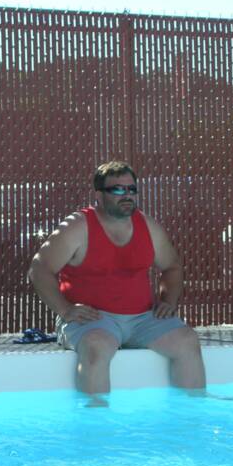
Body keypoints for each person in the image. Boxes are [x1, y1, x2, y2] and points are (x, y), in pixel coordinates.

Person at [28, 161, 206, 403]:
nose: (127, 195)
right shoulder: (78, 226)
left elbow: (172, 267)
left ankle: (191, 416)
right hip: (93, 319)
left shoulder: (148, 226)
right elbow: (39, 269)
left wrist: (168, 301)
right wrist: (65, 310)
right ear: (99, 195)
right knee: (96, 346)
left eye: (132, 189)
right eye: (118, 189)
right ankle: (97, 421)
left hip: (143, 319)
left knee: (187, 340)